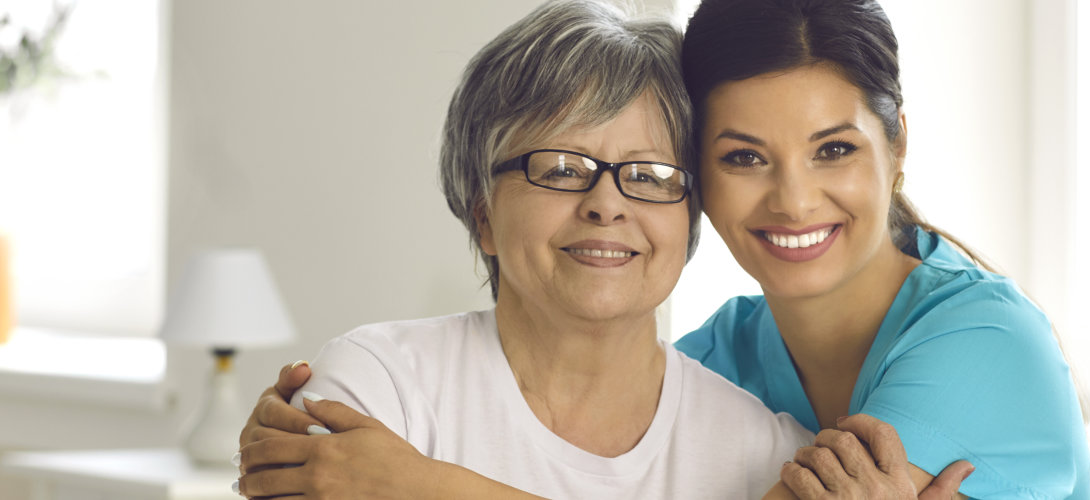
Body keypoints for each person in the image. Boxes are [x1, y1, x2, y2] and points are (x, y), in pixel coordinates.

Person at [231, 1, 821, 498]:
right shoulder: (377, 386)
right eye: (561, 168)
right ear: (482, 214)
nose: (607, 204)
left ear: (689, 217)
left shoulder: (769, 455)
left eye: (649, 174)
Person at [674, 0, 1090, 498]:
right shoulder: (711, 360)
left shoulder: (989, 336)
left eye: (833, 150)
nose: (794, 202)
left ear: (897, 145)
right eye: (744, 157)